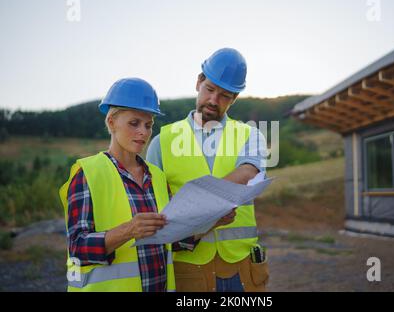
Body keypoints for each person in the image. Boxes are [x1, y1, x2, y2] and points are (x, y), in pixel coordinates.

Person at [146, 48, 269, 292]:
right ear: (198, 82)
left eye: (224, 95)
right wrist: (210, 217)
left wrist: (199, 207)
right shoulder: (163, 141)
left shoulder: (250, 135)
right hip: (189, 268)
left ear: (234, 99)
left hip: (240, 266)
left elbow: (247, 174)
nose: (214, 100)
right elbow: (153, 204)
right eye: (210, 89)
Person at [59, 78, 177, 292]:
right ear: (111, 122)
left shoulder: (158, 177)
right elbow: (77, 249)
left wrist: (209, 222)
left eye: (149, 125)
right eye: (134, 123)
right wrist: (128, 230)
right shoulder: (88, 174)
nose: (144, 131)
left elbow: (172, 240)